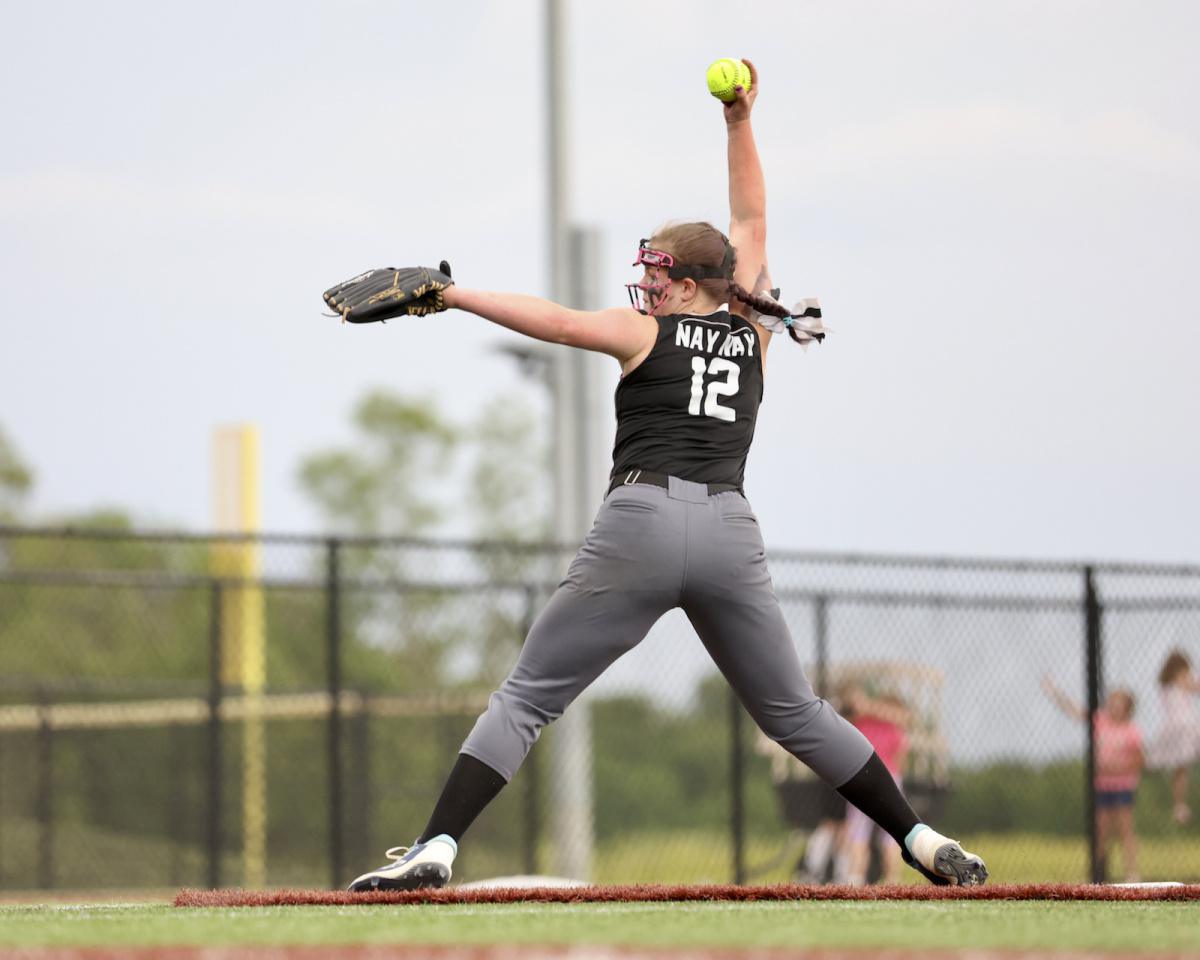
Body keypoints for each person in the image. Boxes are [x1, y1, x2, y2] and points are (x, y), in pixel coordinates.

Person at [347, 60, 987, 893]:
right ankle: (921, 837)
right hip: (728, 531)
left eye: (656, 273)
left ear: (687, 282)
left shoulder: (641, 332)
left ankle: (435, 848)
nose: (644, 284)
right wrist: (738, 120)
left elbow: (556, 320)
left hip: (641, 523)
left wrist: (457, 295)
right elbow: (751, 216)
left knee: (526, 698)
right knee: (795, 713)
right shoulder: (754, 329)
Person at [1042, 676, 1144, 882]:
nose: (1115, 707)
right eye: (1112, 702)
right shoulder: (1100, 721)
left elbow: (1139, 760)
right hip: (1102, 786)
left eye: (1120, 703)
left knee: (1125, 830)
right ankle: (1098, 873)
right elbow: (1074, 711)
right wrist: (1055, 692)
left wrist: (1119, 768)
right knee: (1101, 833)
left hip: (1122, 786)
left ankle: (1132, 874)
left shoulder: (1131, 731)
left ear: (1128, 708)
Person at [839, 687, 911, 885]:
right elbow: (901, 759)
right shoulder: (895, 729)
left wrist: (867, 706)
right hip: (889, 779)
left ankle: (855, 880)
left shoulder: (864, 721)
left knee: (858, 834)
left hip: (861, 777)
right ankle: (892, 881)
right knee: (891, 835)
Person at [1148, 649, 1200, 825]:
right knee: (1181, 769)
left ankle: (1179, 806)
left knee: (1180, 770)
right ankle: (1180, 807)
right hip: (1185, 728)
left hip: (1176, 729)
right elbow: (1194, 687)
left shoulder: (1165, 685)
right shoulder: (1179, 681)